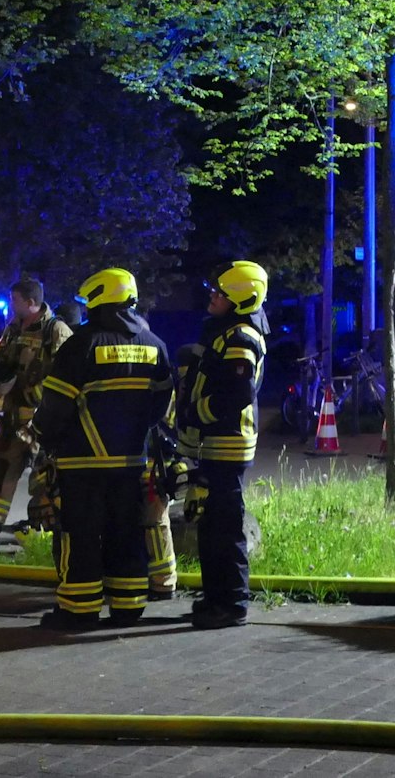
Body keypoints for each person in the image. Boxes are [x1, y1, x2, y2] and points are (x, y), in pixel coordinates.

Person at [30, 267, 172, 631]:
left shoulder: (81, 345)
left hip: (82, 463)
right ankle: (128, 606)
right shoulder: (156, 345)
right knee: (126, 531)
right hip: (131, 463)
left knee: (81, 534)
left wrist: (43, 436)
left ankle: (79, 610)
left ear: (96, 299)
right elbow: (161, 407)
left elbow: (55, 407)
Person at [168, 261, 270, 629]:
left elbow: (236, 395)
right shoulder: (225, 331)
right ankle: (215, 600)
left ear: (240, 301)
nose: (213, 296)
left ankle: (232, 605)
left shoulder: (241, 336)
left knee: (225, 530)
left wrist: (196, 413)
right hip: (212, 447)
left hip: (227, 447)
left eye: (220, 294)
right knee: (209, 527)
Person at [0, 277, 73, 547]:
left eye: (15, 300)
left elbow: (68, 375)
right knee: (2, 470)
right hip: (14, 416)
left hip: (43, 419)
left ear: (31, 302)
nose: (11, 305)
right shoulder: (12, 328)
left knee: (48, 478)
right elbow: (3, 361)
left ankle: (49, 528)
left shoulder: (55, 330)